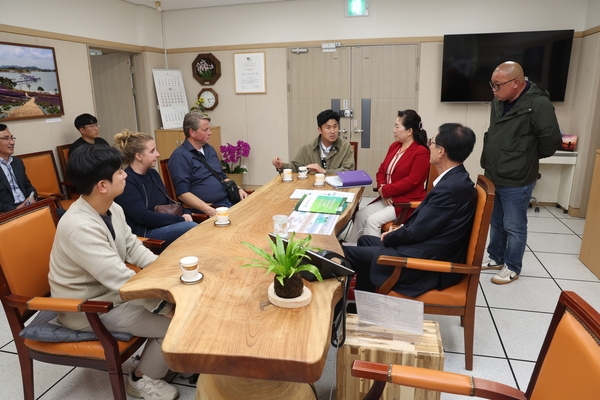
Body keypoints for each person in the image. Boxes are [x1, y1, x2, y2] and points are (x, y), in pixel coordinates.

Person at [48, 145, 178, 400]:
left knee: (178, 302)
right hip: (89, 308)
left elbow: (132, 247)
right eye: (120, 171)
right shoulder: (79, 228)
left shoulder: (111, 207)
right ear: (103, 185)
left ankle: (158, 358)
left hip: (111, 293)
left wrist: (167, 274)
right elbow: (121, 279)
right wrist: (165, 305)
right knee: (177, 323)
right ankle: (142, 379)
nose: (126, 175)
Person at [342, 123, 477, 297]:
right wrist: (398, 231)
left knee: (345, 253)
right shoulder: (457, 179)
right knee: (365, 241)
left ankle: (353, 305)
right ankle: (366, 303)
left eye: (432, 142)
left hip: (424, 265)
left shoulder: (449, 189)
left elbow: (417, 232)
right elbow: (427, 226)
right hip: (428, 248)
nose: (429, 146)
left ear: (441, 151)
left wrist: (393, 235)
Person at [481, 61, 561, 285]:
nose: (493, 90)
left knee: (514, 225)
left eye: (497, 85)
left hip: (517, 177)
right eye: (492, 84)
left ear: (516, 83)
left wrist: (526, 157)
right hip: (494, 173)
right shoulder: (499, 100)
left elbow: (551, 140)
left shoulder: (538, 104)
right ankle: (496, 258)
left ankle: (513, 266)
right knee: (496, 221)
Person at [347, 110, 430, 242]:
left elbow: (412, 181)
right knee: (360, 215)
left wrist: (385, 191)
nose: (394, 130)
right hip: (388, 198)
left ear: (409, 131)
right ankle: (350, 249)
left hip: (405, 202)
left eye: (397, 126)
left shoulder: (421, 152)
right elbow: (381, 170)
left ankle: (373, 255)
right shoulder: (395, 146)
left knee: (372, 221)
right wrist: (381, 186)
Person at [114, 129, 197, 246]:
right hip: (146, 233)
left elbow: (169, 202)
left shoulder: (152, 174)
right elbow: (142, 216)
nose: (158, 154)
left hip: (165, 224)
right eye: (152, 151)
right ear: (138, 156)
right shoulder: (127, 181)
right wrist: (180, 220)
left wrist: (186, 213)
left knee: (197, 226)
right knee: (191, 227)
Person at [168, 112, 248, 217]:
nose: (210, 133)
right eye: (205, 130)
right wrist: (209, 210)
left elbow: (222, 177)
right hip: (210, 208)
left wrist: (238, 189)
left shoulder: (209, 149)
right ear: (192, 132)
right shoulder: (180, 156)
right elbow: (183, 194)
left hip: (227, 201)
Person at [271, 109, 355, 174]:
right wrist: (282, 166)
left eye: (335, 127)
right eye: (328, 128)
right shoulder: (308, 148)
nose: (333, 131)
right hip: (314, 188)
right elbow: (296, 167)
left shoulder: (345, 147)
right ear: (320, 130)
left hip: (338, 190)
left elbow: (349, 171)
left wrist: (324, 171)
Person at [0, 124, 37, 212]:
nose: (12, 142)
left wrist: (32, 198)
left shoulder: (17, 162)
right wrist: (15, 209)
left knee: (61, 215)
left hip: (28, 206)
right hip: (8, 212)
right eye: (6, 138)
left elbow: (28, 186)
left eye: (12, 138)